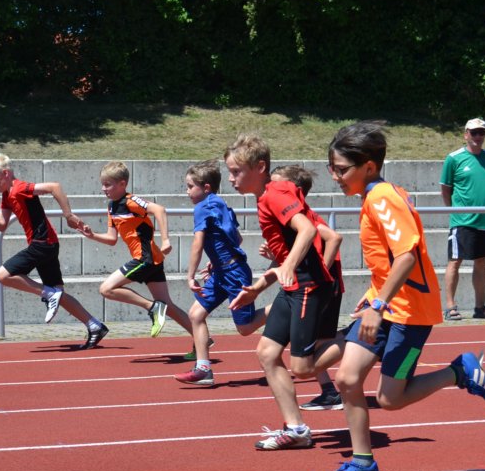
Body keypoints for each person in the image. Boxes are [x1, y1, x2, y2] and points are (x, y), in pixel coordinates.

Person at [317, 121, 485, 471]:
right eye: (332, 169)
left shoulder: (383, 198)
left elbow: (406, 256)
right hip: (385, 305)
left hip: (408, 312)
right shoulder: (374, 196)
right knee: (347, 379)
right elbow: (389, 260)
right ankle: (363, 464)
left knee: (390, 399)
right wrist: (374, 294)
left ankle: (459, 372)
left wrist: (378, 303)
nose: (335, 177)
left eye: (341, 169)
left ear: (369, 166)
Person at [225, 134, 343, 451]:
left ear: (260, 167)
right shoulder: (265, 197)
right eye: (230, 172)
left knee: (302, 369)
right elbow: (285, 254)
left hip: (308, 285)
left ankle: (361, 337)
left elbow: (308, 230)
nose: (231, 179)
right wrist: (258, 288)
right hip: (292, 286)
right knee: (266, 353)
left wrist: (289, 265)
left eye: (236, 171)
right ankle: (297, 429)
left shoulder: (275, 194)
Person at [0, 153, 110, 349]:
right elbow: (1, 225)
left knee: (2, 275)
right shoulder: (6, 196)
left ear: (6, 174)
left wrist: (68, 215)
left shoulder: (20, 188)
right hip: (47, 244)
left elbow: (55, 187)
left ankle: (48, 294)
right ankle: (95, 326)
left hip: (42, 243)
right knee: (59, 294)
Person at [174, 160, 266, 386]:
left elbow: (198, 243)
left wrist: (190, 275)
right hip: (223, 271)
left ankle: (286, 306)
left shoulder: (202, 207)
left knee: (245, 328)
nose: (187, 192)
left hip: (234, 273)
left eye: (190, 186)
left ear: (206, 188)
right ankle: (203, 369)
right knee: (196, 314)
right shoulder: (220, 203)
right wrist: (216, 261)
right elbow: (237, 238)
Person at [83, 161, 194, 339]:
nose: (103, 189)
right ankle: (203, 339)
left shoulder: (131, 201)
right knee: (168, 305)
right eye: (102, 184)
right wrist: (92, 235)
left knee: (106, 289)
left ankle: (153, 307)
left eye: (108, 184)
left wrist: (166, 239)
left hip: (145, 258)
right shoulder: (112, 207)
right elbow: (112, 239)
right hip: (152, 259)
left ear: (122, 184)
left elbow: (159, 210)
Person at [269, 165, 346, 411]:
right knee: (311, 344)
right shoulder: (288, 217)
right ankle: (329, 391)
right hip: (310, 284)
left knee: (309, 349)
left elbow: (334, 237)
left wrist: (321, 272)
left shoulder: (306, 216)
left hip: (321, 284)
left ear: (295, 190)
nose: (272, 189)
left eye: (277, 184)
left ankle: (357, 337)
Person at [440, 118, 485, 320]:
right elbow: (445, 189)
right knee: (455, 261)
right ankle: (450, 307)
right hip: (462, 221)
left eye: (482, 132)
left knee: (481, 262)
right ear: (466, 134)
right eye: (474, 132)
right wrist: (454, 211)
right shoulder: (454, 158)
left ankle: (480, 307)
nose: (478, 136)